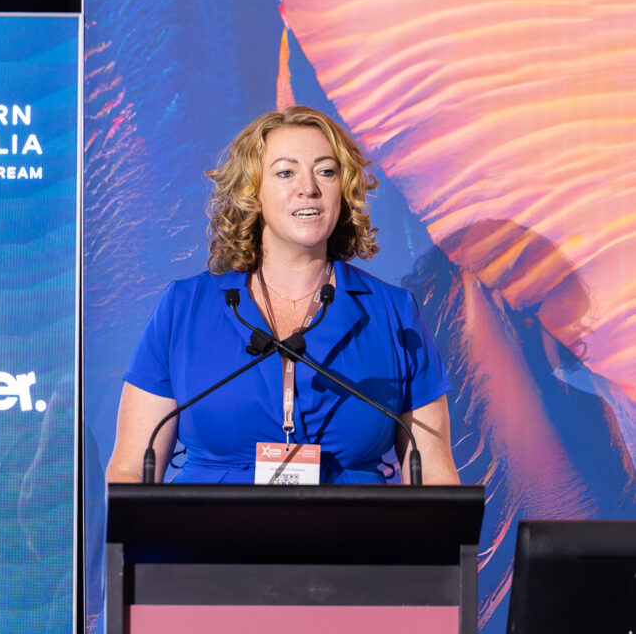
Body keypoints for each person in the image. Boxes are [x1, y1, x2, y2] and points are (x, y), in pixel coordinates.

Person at [106, 106, 460, 485]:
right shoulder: (183, 308)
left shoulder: (394, 313)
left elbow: (435, 474)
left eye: (326, 171)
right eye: (286, 172)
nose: (309, 188)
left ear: (343, 191)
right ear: (252, 191)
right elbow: (130, 469)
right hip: (209, 523)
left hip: (352, 523)